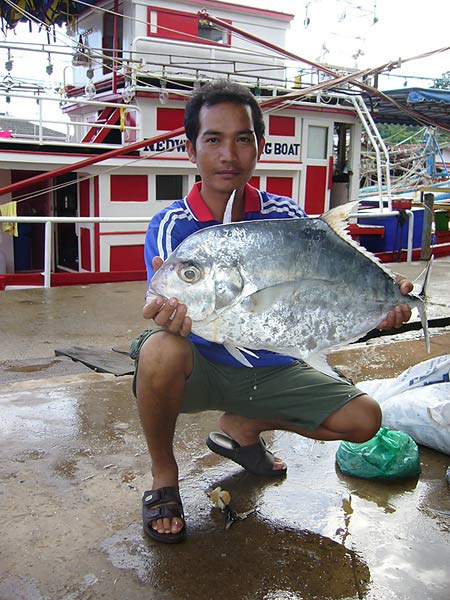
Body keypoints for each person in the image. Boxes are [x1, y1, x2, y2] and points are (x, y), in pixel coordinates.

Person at [131, 79, 413, 544]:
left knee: (366, 420)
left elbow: (317, 292)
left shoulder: (288, 216)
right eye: (213, 139)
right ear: (191, 148)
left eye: (243, 139)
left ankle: (243, 425)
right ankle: (164, 475)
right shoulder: (174, 225)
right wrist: (167, 311)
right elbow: (168, 299)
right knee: (160, 349)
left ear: (259, 146)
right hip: (202, 364)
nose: (229, 154)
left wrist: (381, 297)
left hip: (274, 366)